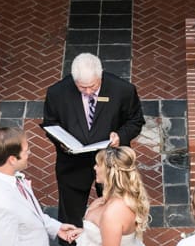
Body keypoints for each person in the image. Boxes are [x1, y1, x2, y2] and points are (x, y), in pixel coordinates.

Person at [41, 52, 145, 228]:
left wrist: (121, 136)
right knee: (70, 210)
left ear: (100, 76)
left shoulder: (123, 90)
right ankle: (70, 244)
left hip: (111, 165)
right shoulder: (57, 93)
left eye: (93, 86)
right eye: (82, 88)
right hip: (73, 164)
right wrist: (61, 142)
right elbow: (50, 123)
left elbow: (135, 121)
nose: (88, 92)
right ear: (74, 81)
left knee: (117, 206)